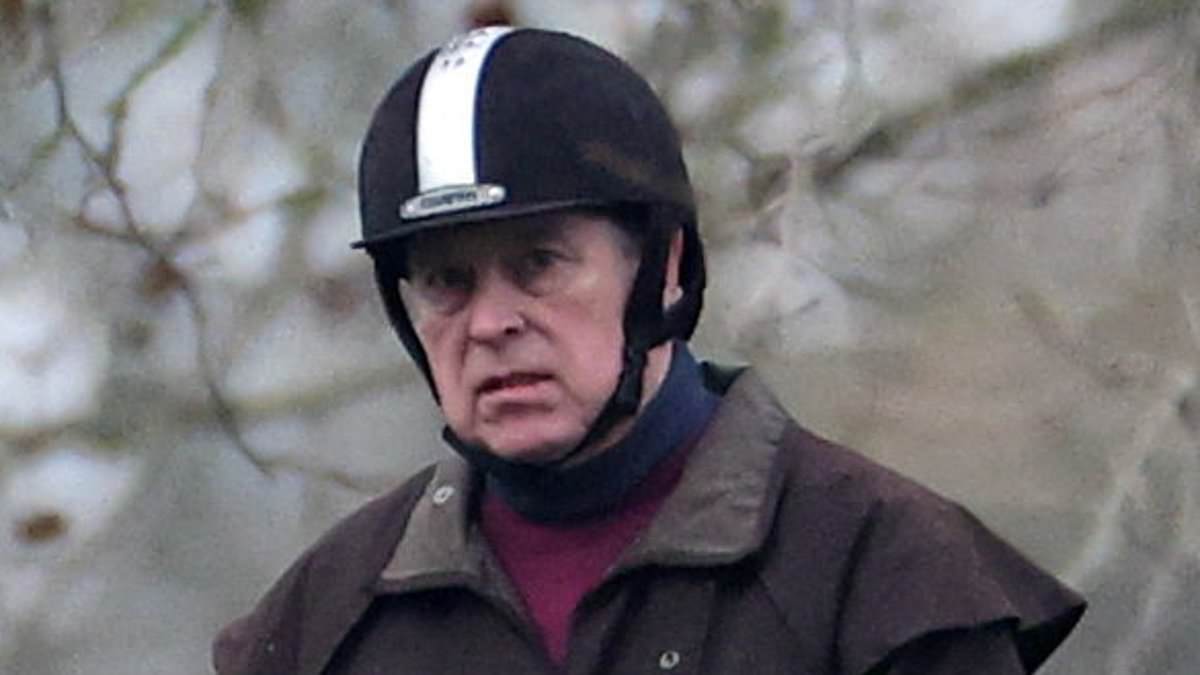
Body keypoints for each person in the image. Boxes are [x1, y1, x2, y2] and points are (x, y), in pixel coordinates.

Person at [213, 26, 1085, 674]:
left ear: (663, 268)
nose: (490, 323)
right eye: (448, 281)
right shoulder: (318, 627)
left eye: (539, 264)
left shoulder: (886, 575)